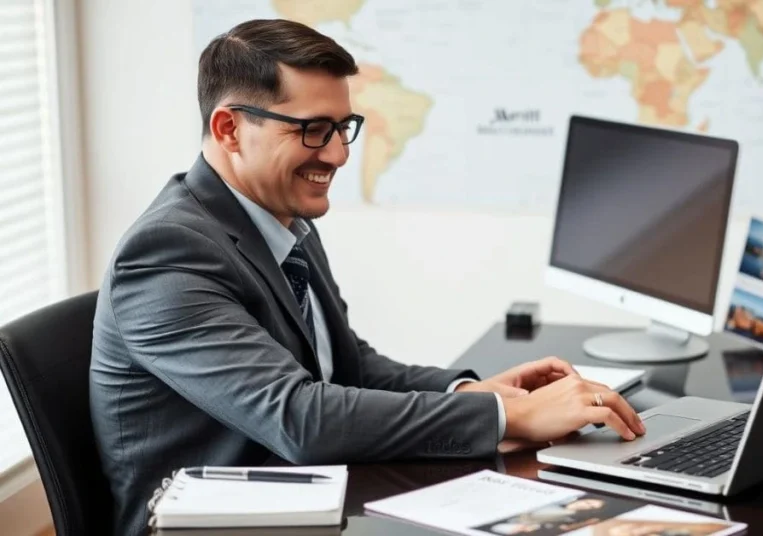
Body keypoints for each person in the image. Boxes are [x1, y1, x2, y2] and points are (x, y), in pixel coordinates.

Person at [89, 18, 645, 535]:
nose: (336, 154)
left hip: (312, 492)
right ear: (230, 128)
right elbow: (299, 417)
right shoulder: (166, 252)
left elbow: (347, 365)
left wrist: (468, 390)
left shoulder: (283, 219)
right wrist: (508, 415)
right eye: (312, 130)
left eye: (342, 127)